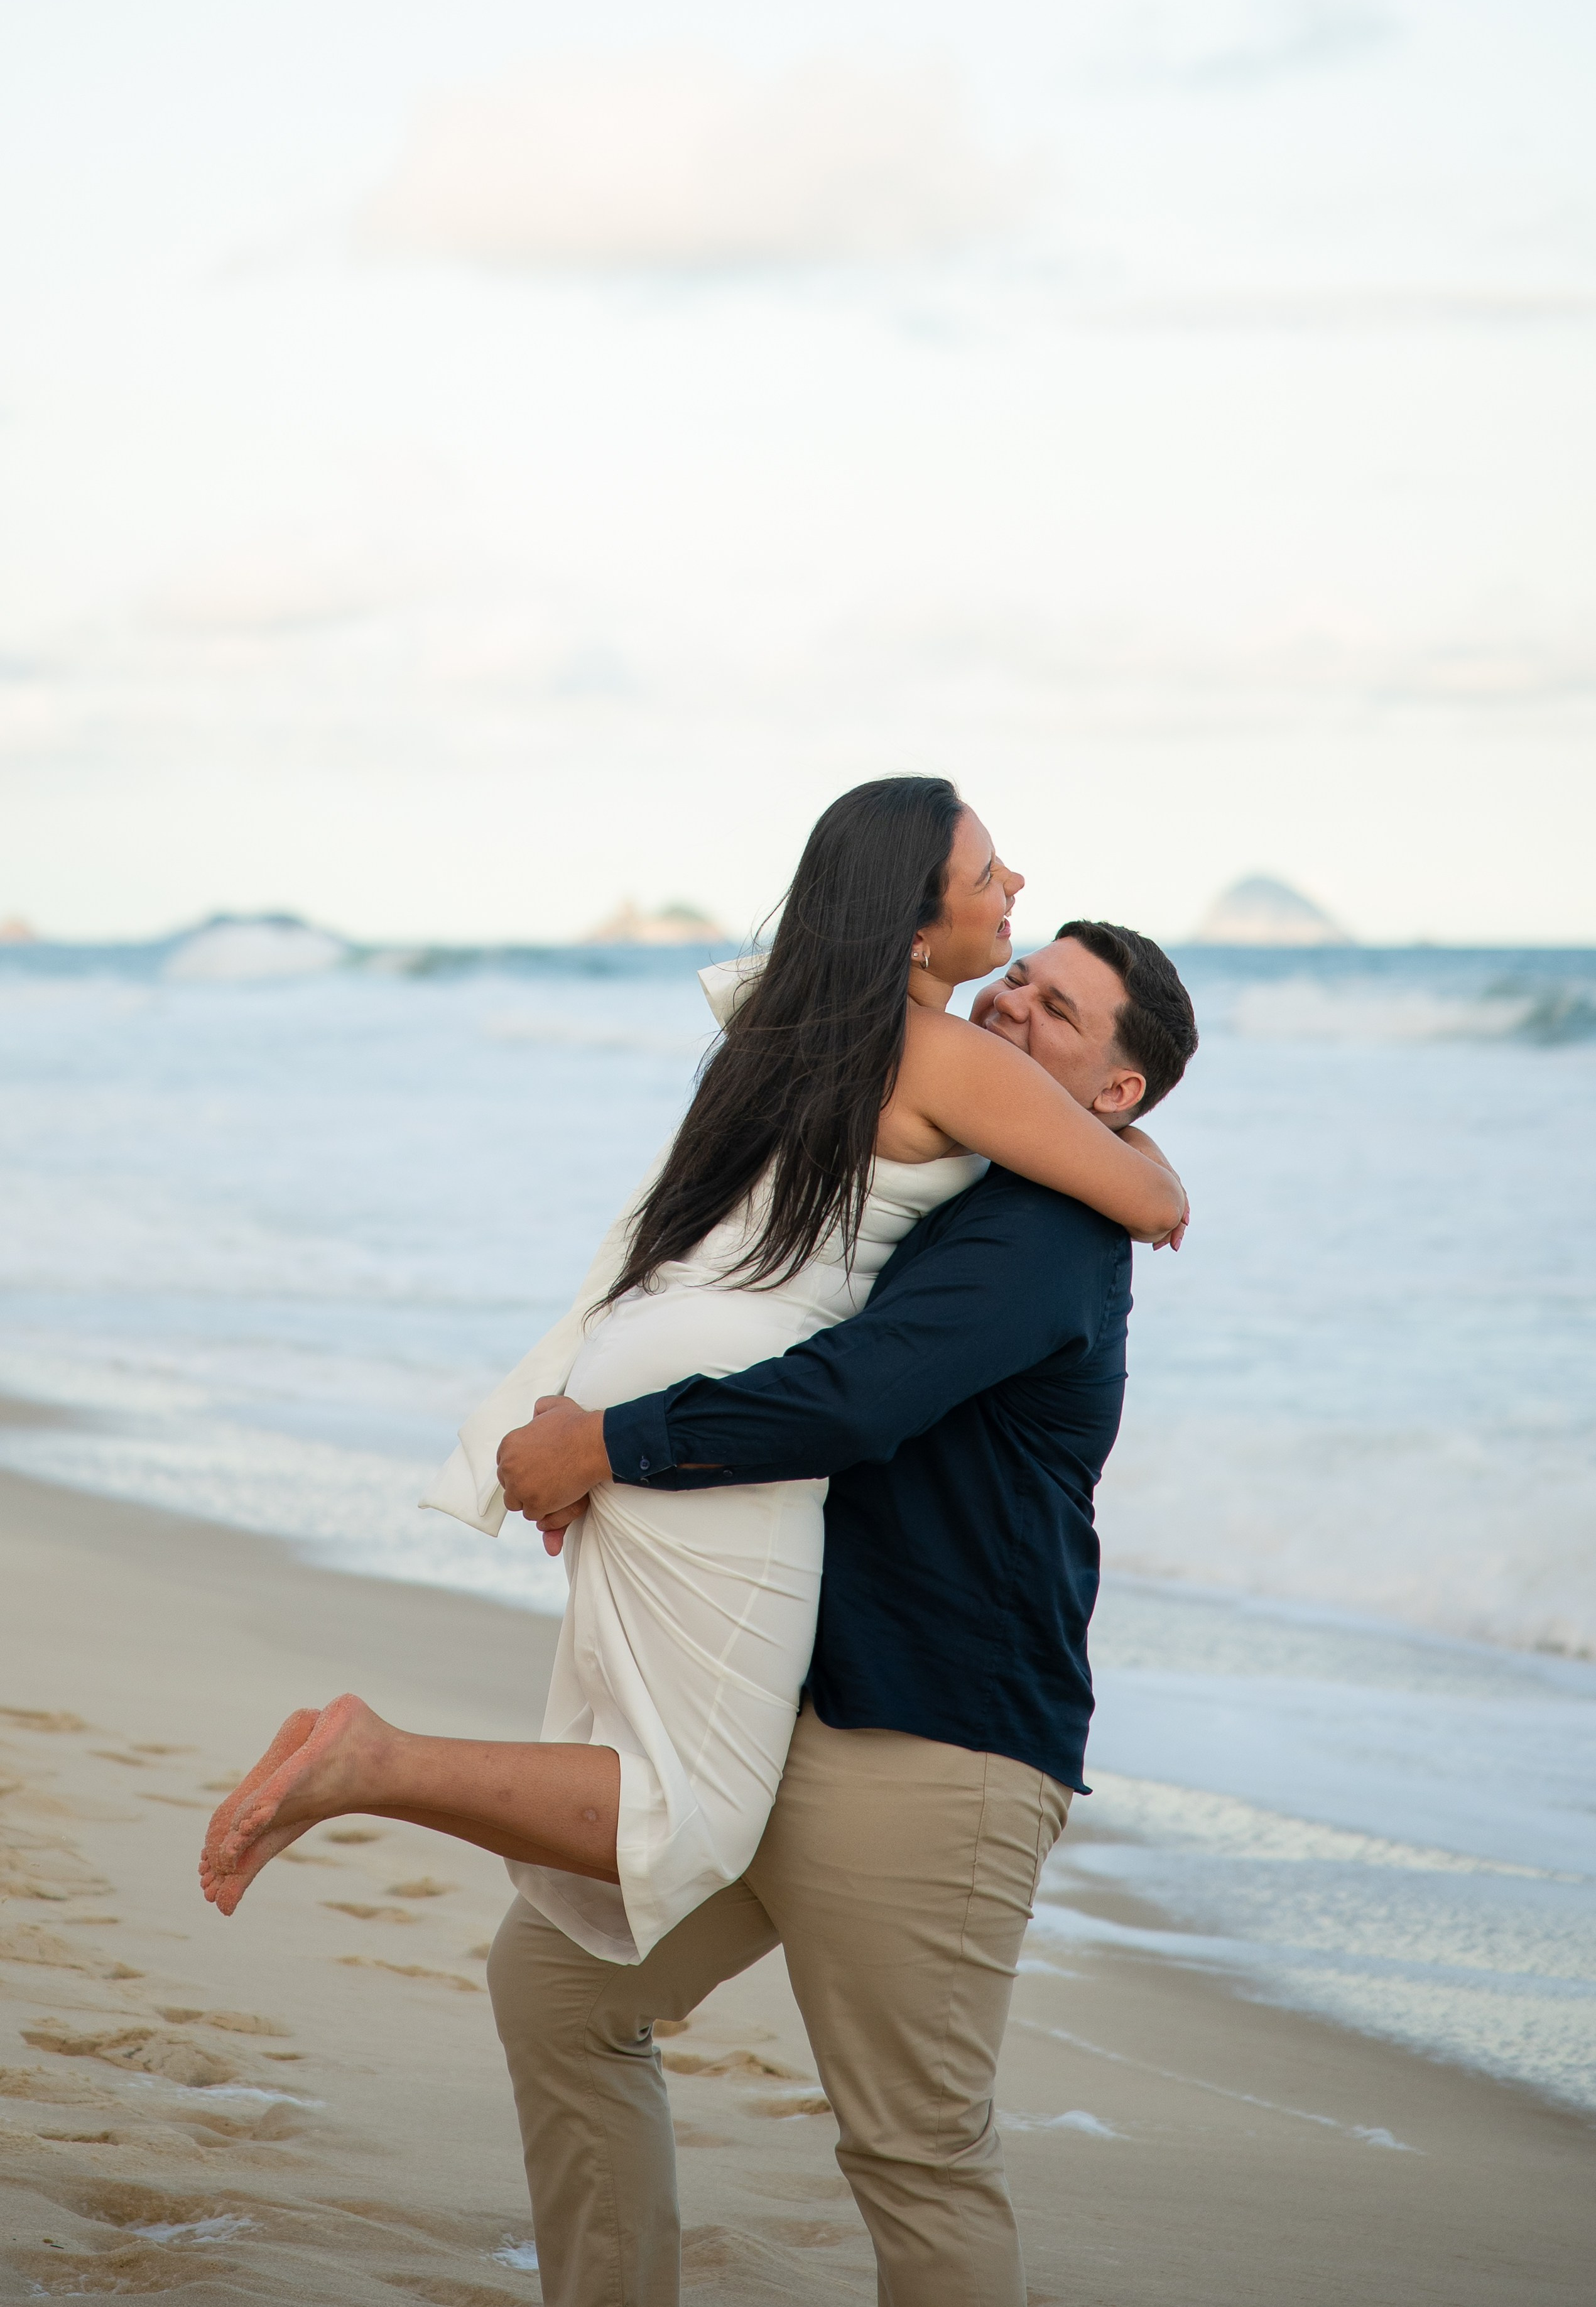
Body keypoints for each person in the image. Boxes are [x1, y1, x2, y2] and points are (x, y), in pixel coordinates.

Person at [198, 782, 1185, 1936]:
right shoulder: (944, 1059)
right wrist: (1143, 1143)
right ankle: (370, 1763)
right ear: (917, 931)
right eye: (987, 876)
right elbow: (1148, 1197)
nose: (1012, 886)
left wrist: (577, 1404)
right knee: (688, 1814)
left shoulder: (790, 1026)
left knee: (630, 1754)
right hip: (726, 1406)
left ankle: (403, 1800)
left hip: (648, 1363)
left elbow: (663, 1222)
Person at [488, 918, 1199, 2307]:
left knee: (914, 2155)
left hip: (934, 1744)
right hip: (782, 1704)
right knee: (562, 1990)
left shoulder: (1048, 1230)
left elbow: (855, 1395)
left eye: (1054, 1009)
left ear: (1114, 1095)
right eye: (1014, 975)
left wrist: (609, 1443)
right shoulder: (951, 1172)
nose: (1009, 1004)